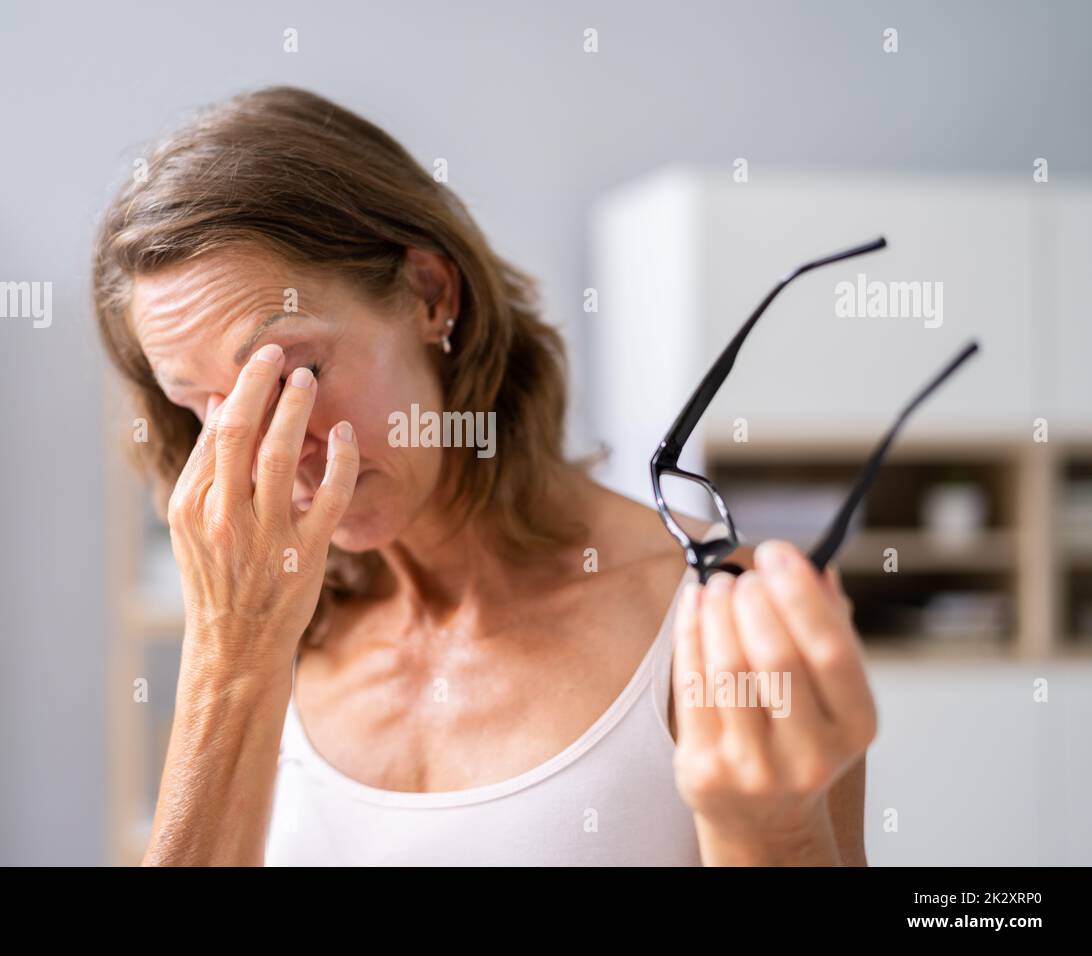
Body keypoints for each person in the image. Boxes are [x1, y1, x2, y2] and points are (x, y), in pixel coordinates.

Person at [92, 86, 875, 866]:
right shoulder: (266, 632)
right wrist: (232, 656)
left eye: (292, 375)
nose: (262, 454)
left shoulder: (713, 618)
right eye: (205, 407)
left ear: (432, 296)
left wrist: (771, 837)